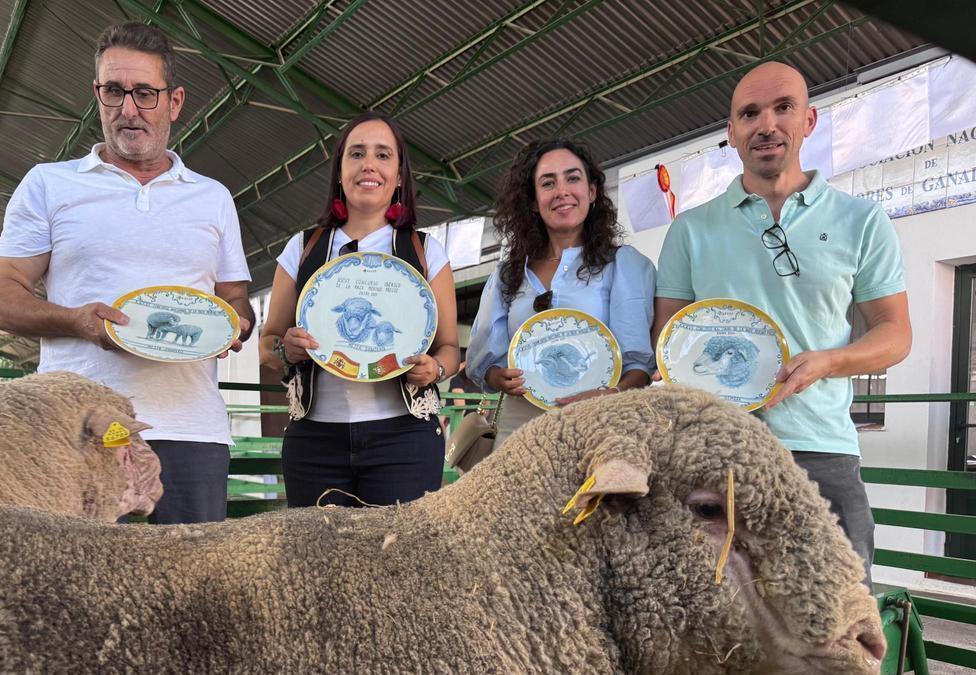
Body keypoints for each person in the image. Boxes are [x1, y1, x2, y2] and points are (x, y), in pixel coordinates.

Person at [0, 21, 255, 525]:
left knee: (193, 574)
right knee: (80, 574)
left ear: (174, 102)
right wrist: (77, 322)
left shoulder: (212, 197)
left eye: (145, 93)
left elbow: (235, 299)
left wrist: (234, 326)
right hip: (79, 428)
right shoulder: (49, 185)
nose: (129, 110)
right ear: (97, 95)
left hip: (191, 430)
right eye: (114, 91)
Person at [653, 62, 912, 586]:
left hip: (821, 449)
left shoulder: (861, 221)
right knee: (705, 611)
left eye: (783, 108)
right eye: (750, 113)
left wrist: (829, 362)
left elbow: (895, 333)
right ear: (731, 132)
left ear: (809, 120)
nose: (766, 124)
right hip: (713, 449)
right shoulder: (690, 230)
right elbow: (668, 339)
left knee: (835, 609)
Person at [258, 112, 459, 508]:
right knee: (317, 548)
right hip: (315, 442)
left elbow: (450, 348)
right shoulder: (302, 248)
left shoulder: (425, 251)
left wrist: (434, 369)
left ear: (399, 177)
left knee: (398, 548)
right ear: (339, 171)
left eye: (383, 155)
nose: (369, 164)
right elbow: (267, 345)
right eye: (356, 154)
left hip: (403, 440)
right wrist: (287, 350)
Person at [467, 139, 656, 446]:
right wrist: (496, 377)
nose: (562, 191)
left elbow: (638, 365)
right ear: (533, 201)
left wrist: (612, 395)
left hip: (600, 427)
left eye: (573, 178)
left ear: (592, 192)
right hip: (520, 430)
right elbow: (485, 361)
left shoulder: (623, 265)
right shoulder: (507, 274)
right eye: (548, 183)